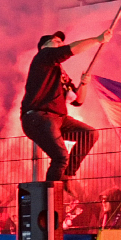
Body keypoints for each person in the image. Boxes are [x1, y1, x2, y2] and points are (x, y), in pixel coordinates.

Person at [20, 30, 109, 184]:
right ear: (44, 46)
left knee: (89, 134)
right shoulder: (43, 57)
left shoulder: (60, 74)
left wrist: (84, 84)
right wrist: (97, 39)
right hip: (39, 116)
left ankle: (66, 176)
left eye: (61, 42)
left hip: (58, 119)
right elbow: (70, 50)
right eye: (56, 41)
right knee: (60, 156)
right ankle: (50, 198)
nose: (60, 43)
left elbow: (77, 100)